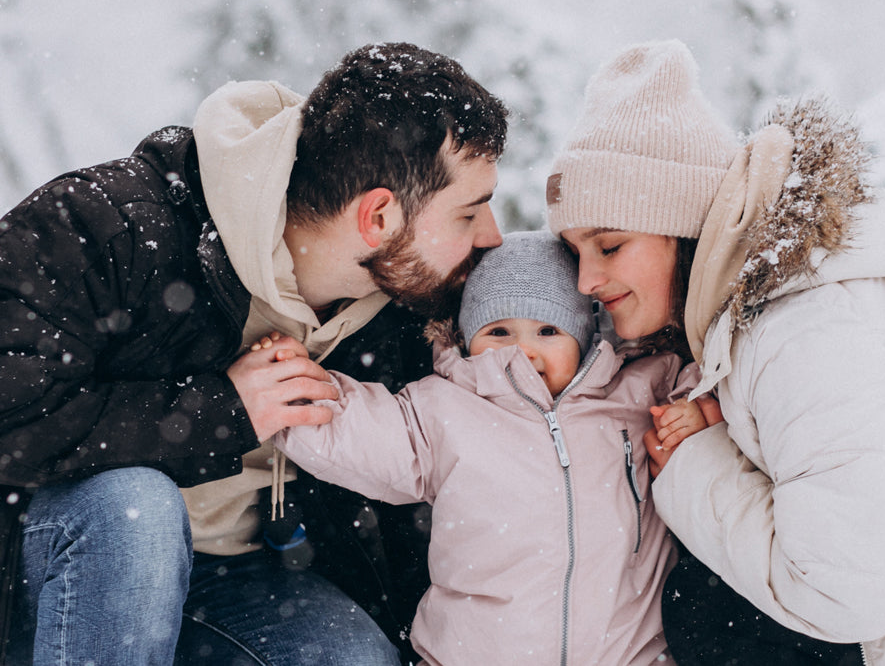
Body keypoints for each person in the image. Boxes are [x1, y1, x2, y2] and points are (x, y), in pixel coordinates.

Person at [0, 41, 508, 665]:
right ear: (378, 216)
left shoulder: (411, 307)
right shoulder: (111, 225)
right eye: (469, 213)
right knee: (136, 513)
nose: (493, 237)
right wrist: (224, 411)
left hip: (237, 582)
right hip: (54, 574)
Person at [547, 39, 885, 665]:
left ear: (682, 229)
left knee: (708, 612)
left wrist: (692, 463)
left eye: (610, 246)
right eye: (575, 254)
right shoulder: (766, 313)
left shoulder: (805, 328)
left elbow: (848, 596)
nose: (585, 282)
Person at [271, 230, 721, 665]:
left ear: (585, 338)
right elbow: (364, 433)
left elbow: (709, 379)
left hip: (629, 653)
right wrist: (291, 389)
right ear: (467, 340)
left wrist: (695, 414)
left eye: (548, 330)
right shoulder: (444, 409)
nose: (523, 351)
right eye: (500, 332)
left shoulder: (638, 392)